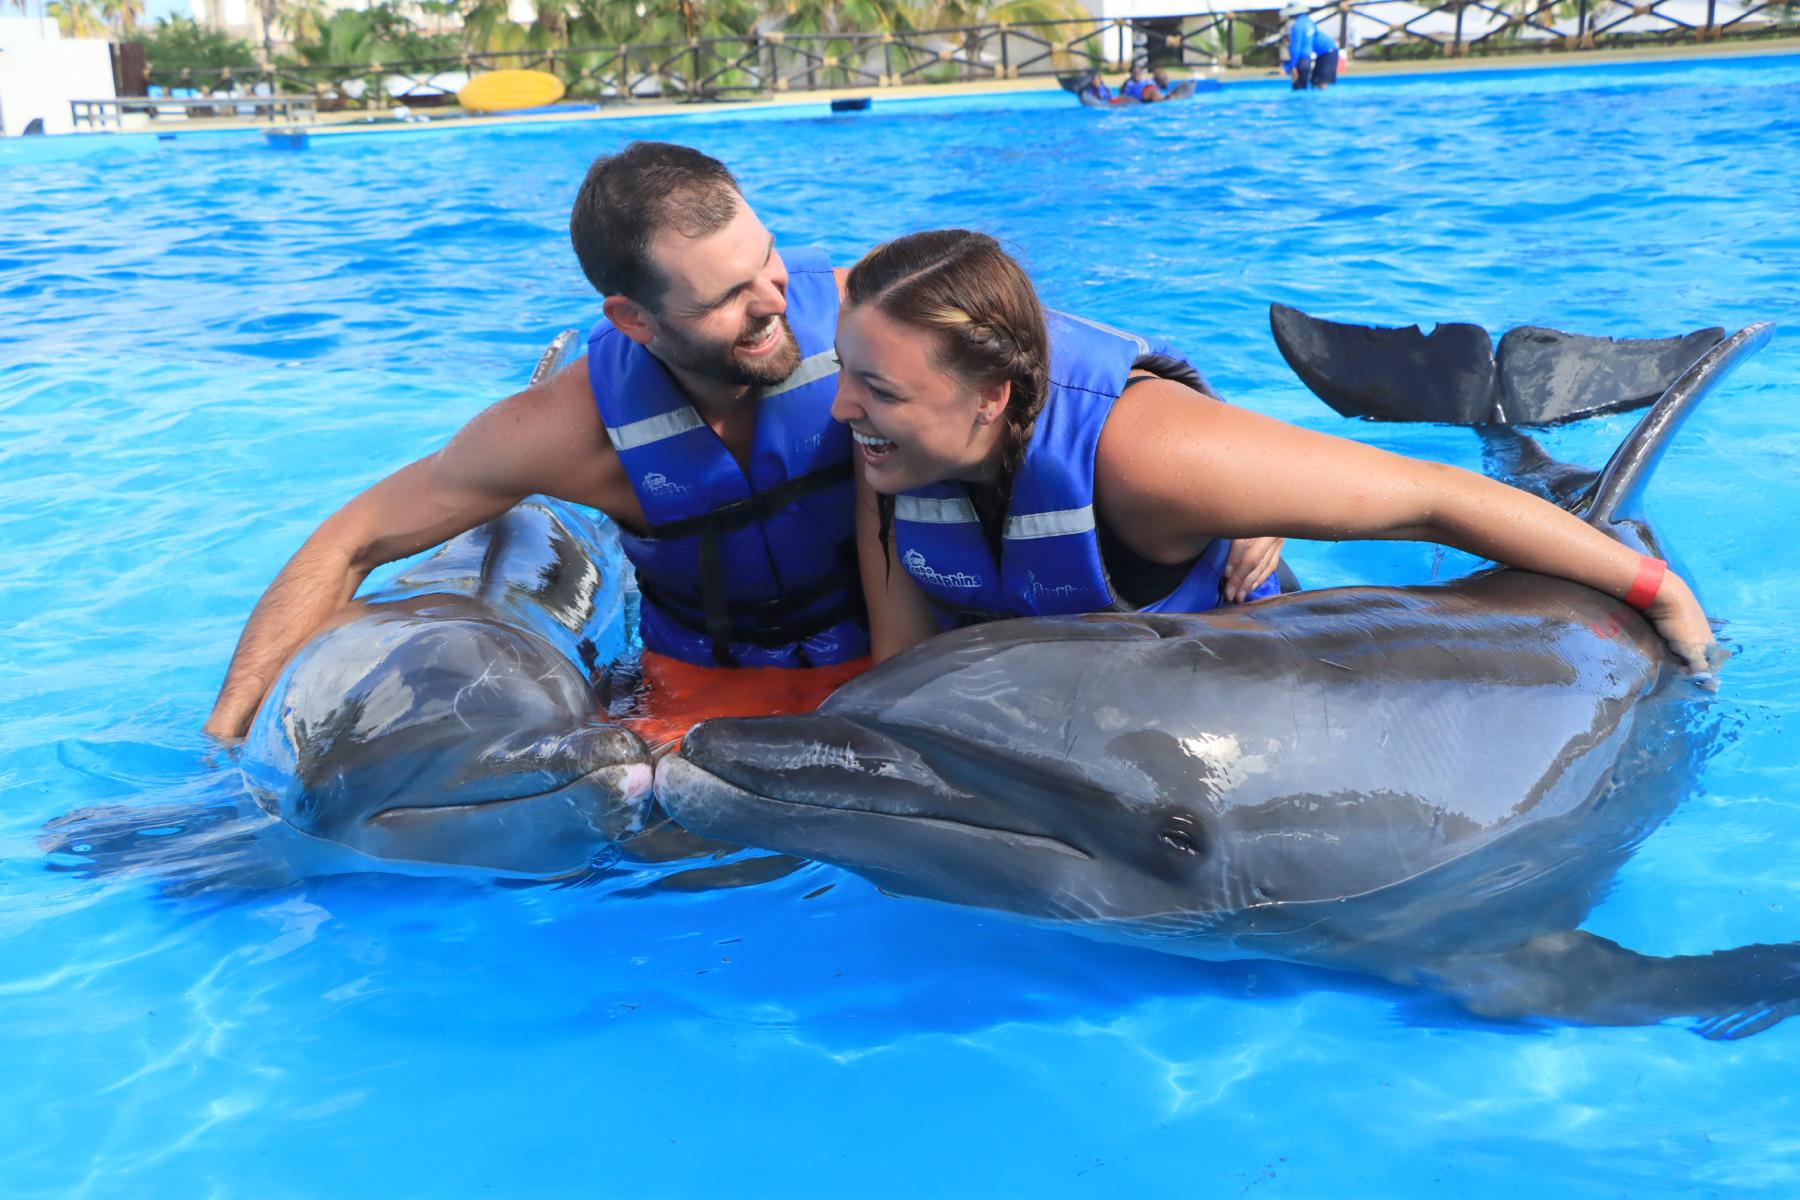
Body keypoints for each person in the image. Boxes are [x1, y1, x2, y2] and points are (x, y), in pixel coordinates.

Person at [203, 142, 868, 739]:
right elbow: (348, 541)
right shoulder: (567, 429)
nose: (773, 303)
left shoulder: (869, 327)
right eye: (724, 297)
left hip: (888, 664)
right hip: (693, 687)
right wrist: (229, 737)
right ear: (633, 319)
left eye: (767, 260)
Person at [829, 230, 1716, 671]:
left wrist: (1655, 589)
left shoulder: (1148, 460)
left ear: (993, 396)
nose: (840, 409)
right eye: (847, 373)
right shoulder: (899, 456)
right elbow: (903, 673)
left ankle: (1499, 419)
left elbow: (1431, 499)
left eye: (880, 389)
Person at [1281, 3, 1340, 91]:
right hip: (1329, 51)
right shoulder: (1308, 22)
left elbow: (1296, 47)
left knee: (1320, 82)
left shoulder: (1297, 26)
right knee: (1316, 83)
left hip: (1327, 52)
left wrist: (1293, 66)